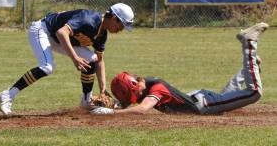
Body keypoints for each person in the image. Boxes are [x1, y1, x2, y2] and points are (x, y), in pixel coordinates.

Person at [91, 22, 269, 115]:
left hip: (204, 105)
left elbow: (141, 109)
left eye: (132, 95)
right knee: (224, 100)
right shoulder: (142, 86)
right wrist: (98, 106)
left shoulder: (156, 89)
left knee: (254, 93)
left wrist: (112, 113)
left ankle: (249, 43)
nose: (133, 99)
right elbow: (127, 105)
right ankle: (252, 65)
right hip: (201, 99)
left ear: (134, 85)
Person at [0, 3, 134, 115]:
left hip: (60, 39)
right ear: (114, 17)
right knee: (47, 67)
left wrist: (103, 89)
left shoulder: (102, 34)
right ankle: (8, 94)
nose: (121, 29)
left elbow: (99, 61)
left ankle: (86, 100)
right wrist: (75, 58)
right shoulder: (89, 19)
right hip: (43, 31)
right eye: (121, 25)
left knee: (92, 59)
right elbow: (61, 32)